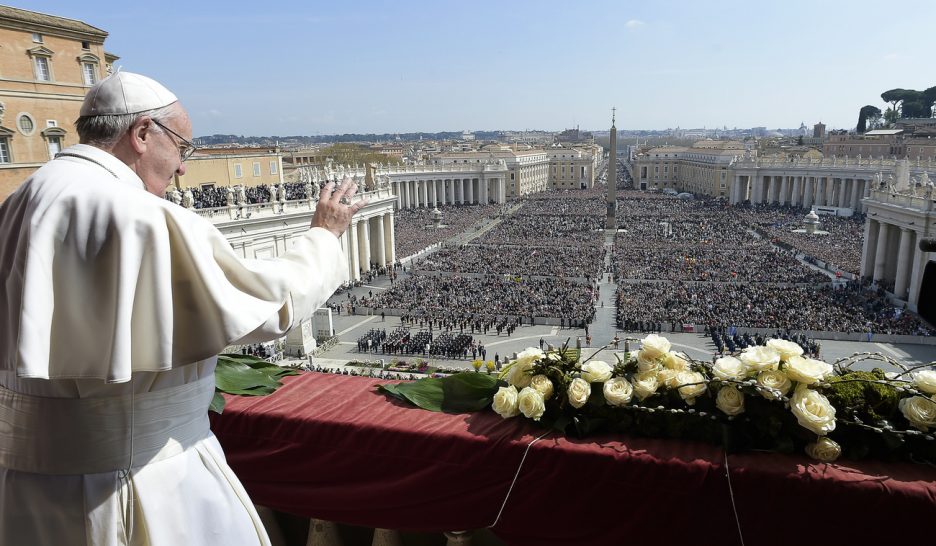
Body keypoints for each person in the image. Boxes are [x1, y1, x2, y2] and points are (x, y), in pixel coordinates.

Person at [0, 72, 366, 545]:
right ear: (142, 133)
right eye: (182, 149)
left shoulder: (18, 202)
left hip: (26, 489)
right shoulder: (143, 216)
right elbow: (267, 305)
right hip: (141, 481)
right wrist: (323, 235)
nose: (182, 170)